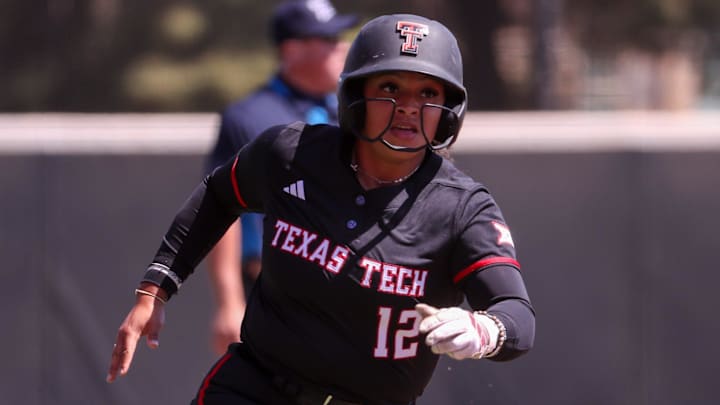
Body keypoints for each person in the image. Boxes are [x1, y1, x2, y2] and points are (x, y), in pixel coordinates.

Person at [107, 13, 536, 405]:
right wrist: (155, 291)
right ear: (356, 96)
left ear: (449, 110)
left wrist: (485, 330)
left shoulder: (462, 207)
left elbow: (516, 313)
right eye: (390, 87)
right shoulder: (291, 153)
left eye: (428, 92)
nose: (408, 106)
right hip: (255, 387)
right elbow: (219, 195)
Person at [204, 0, 359, 355]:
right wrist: (229, 302)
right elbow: (220, 210)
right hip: (272, 292)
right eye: (328, 38)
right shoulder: (250, 117)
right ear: (292, 49)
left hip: (346, 293)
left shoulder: (352, 114)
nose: (341, 46)